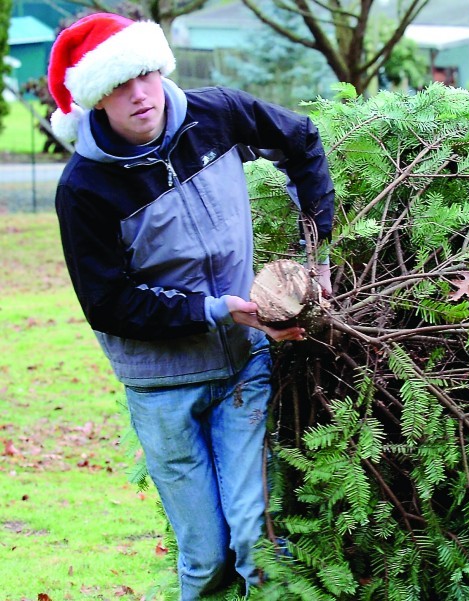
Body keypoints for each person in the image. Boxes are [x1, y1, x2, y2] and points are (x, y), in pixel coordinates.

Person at [47, 12, 335, 599]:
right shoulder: (84, 191)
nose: (138, 95)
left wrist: (317, 252)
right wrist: (216, 309)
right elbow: (109, 305)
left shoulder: (216, 115)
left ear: (159, 67)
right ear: (95, 101)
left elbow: (301, 139)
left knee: (257, 538)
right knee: (205, 561)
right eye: (116, 86)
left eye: (145, 75)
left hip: (241, 368)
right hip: (161, 392)